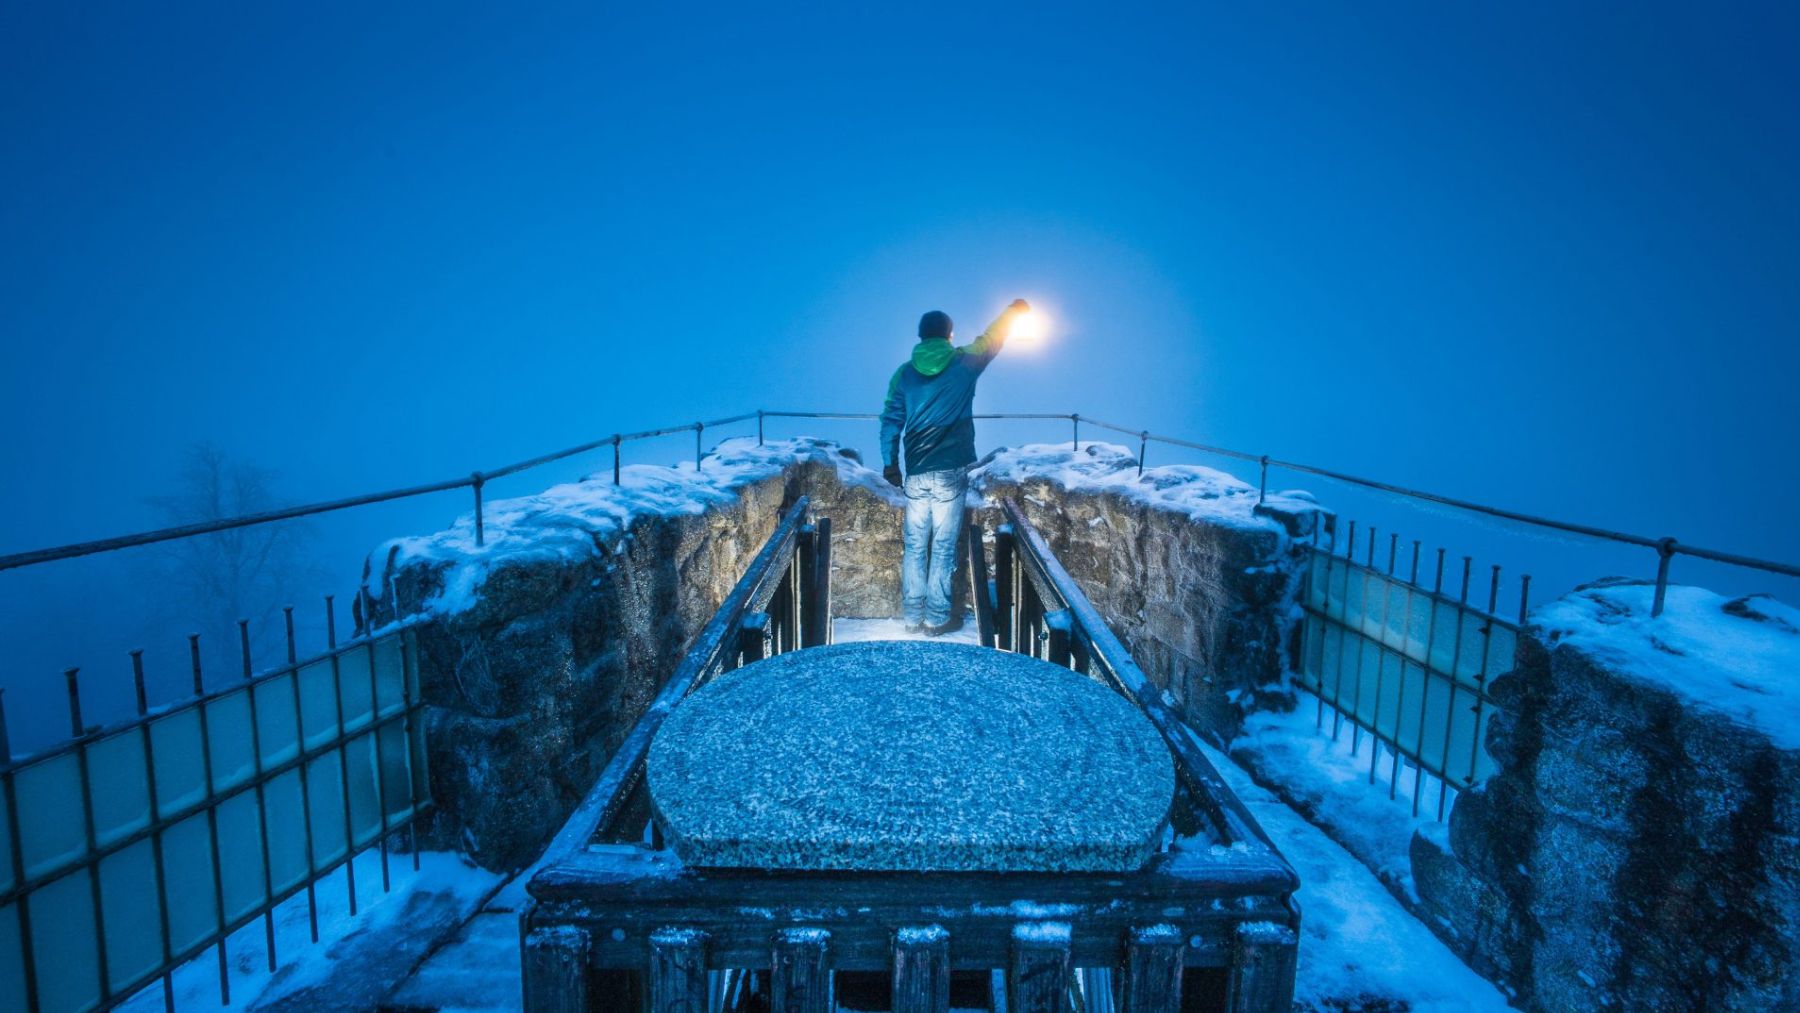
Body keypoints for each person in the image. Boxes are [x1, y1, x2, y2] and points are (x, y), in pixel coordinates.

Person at [879, 299, 1030, 635]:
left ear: (921, 337)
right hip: (950, 469)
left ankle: (911, 618)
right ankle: (936, 618)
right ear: (949, 335)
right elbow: (992, 338)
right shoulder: (963, 361)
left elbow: (890, 420)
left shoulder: (903, 374)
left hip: (916, 471)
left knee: (915, 545)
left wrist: (891, 464)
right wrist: (1013, 311)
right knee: (943, 545)